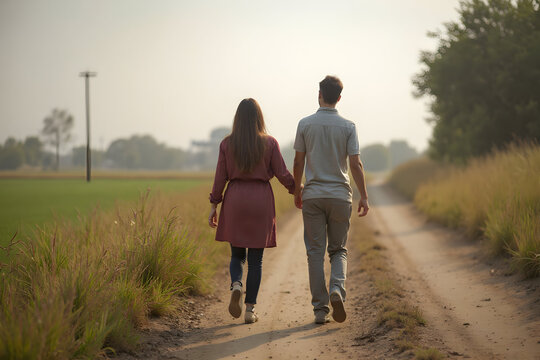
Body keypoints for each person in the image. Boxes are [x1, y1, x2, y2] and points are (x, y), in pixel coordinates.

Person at [208, 98, 295, 324]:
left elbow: (220, 178)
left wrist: (214, 205)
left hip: (235, 199)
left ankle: (236, 284)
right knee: (256, 261)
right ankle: (249, 310)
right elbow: (282, 173)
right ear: (259, 117)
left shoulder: (226, 144)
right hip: (260, 200)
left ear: (237, 118)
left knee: (237, 255)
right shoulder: (270, 143)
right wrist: (297, 189)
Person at [293, 75, 369, 324]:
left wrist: (297, 190)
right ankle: (337, 289)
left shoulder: (304, 124)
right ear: (339, 97)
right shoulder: (348, 126)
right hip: (340, 197)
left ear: (319, 94)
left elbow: (298, 161)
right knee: (338, 250)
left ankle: (319, 310)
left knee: (314, 253)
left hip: (313, 196)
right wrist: (364, 196)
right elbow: (355, 164)